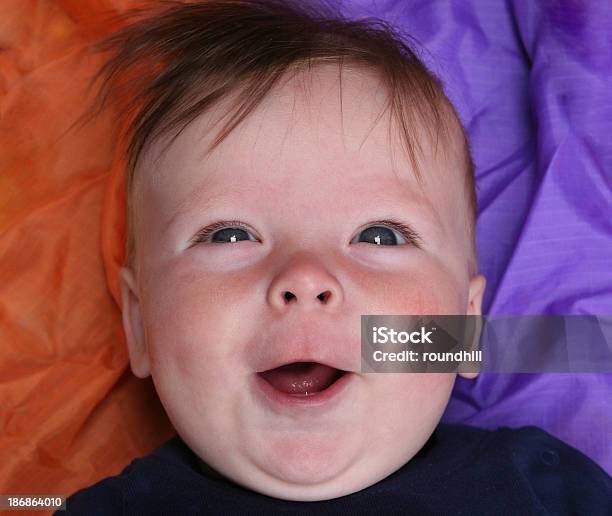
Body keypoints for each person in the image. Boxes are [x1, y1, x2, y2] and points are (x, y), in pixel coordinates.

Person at [63, 0, 612, 513]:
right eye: (229, 235)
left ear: (463, 328)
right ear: (138, 322)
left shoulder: (541, 487)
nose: (305, 277)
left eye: (379, 236)